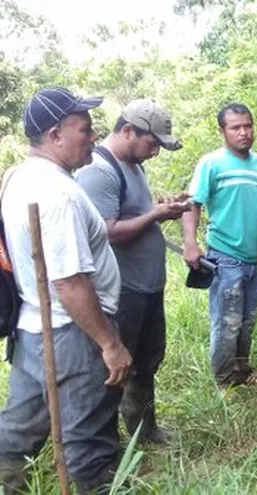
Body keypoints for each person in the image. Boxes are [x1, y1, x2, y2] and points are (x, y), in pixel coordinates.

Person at [0, 87, 132, 494]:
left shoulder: (19, 176)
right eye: (85, 128)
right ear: (55, 134)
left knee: (18, 431)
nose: (93, 136)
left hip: (34, 328)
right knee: (90, 443)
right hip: (71, 335)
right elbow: (70, 283)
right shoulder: (57, 195)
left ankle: (9, 483)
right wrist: (109, 343)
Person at [75, 98, 186, 445]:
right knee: (116, 368)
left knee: (146, 361)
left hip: (146, 286)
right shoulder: (99, 171)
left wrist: (160, 208)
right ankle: (105, 445)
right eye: (152, 143)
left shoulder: (133, 165)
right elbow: (108, 232)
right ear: (128, 131)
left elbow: (131, 214)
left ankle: (144, 429)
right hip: (122, 291)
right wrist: (157, 215)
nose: (154, 152)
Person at [182, 103, 257, 387]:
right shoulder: (212, 163)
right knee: (226, 323)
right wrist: (190, 243)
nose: (244, 132)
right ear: (223, 131)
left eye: (248, 126)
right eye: (236, 127)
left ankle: (243, 372)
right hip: (225, 258)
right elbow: (192, 204)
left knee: (248, 321)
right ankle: (224, 381)